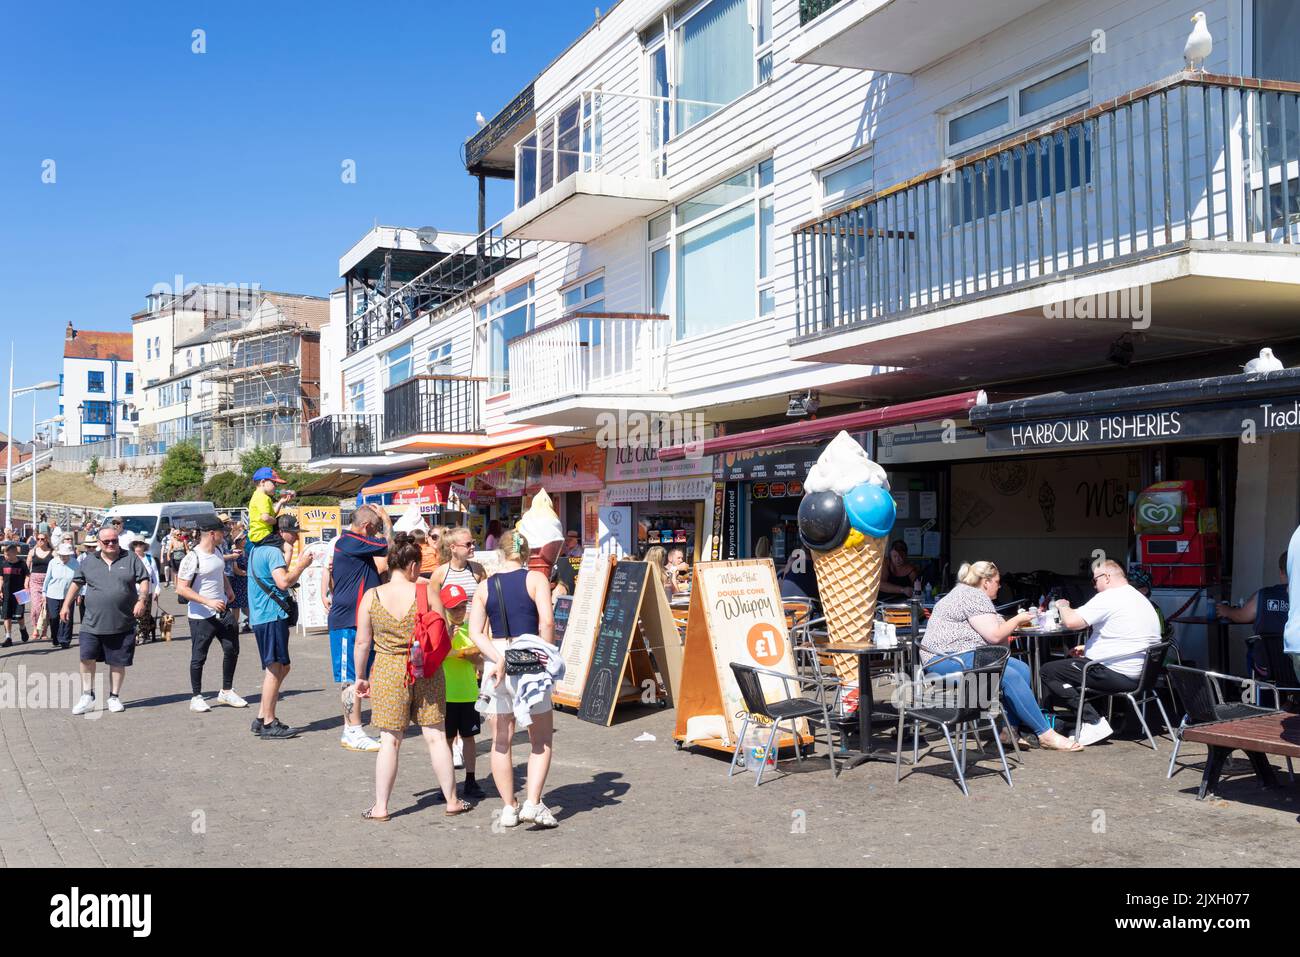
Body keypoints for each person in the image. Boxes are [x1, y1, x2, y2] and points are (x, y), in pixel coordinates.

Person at [354, 534, 472, 820]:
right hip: (426, 670)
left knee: (389, 741)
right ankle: (452, 800)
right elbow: (442, 631)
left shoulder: (372, 596)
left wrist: (360, 677)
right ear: (412, 566)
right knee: (435, 737)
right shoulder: (425, 591)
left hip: (388, 671)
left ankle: (381, 806)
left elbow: (362, 643)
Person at [921, 561, 1082, 751]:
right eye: (997, 581)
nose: (1000, 585)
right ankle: (1045, 733)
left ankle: (1009, 730)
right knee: (1007, 674)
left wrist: (1006, 625)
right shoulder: (972, 595)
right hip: (945, 660)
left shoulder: (965, 592)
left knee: (1021, 668)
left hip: (960, 655)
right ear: (986, 581)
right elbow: (995, 636)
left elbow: (999, 645)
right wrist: (1016, 620)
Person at [466, 528, 559, 828]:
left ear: (500, 553)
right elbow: (546, 621)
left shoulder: (485, 586)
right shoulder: (536, 579)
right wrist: (544, 653)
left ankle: (509, 806)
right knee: (541, 738)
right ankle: (533, 801)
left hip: (497, 661)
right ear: (529, 552)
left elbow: (475, 632)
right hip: (528, 658)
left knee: (500, 741)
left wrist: (496, 657)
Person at [1048, 559, 1163, 746]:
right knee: (1071, 664)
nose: (1094, 586)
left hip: (1116, 673)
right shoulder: (1139, 598)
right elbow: (1128, 636)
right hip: (1142, 674)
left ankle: (1092, 721)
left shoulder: (1110, 597)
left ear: (1107, 577)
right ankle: (1088, 719)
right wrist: (1089, 648)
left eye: (1095, 581)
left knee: (1049, 671)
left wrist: (1062, 605)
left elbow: (1072, 622)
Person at [62, 526, 151, 715]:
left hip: (122, 621)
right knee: (86, 657)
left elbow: (144, 579)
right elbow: (77, 583)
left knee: (117, 661)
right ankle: (87, 695)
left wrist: (142, 599)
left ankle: (114, 697)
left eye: (115, 540)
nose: (111, 544)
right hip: (92, 621)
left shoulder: (130, 558)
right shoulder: (88, 561)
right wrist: (65, 605)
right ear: (99, 543)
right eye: (107, 541)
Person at [323, 505, 390, 752]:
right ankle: (353, 730)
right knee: (350, 677)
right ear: (366, 527)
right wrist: (387, 522)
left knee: (360, 675)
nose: (375, 533)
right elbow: (389, 548)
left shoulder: (352, 543)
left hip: (358, 620)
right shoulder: (351, 541)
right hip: (347, 621)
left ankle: (351, 728)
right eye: (374, 528)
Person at [248, 514, 313, 738]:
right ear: (280, 532)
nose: (296, 537)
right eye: (293, 532)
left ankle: (261, 717)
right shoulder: (272, 551)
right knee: (275, 668)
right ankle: (268, 722)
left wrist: (290, 554)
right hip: (270, 615)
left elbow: (277, 573)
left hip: (262, 615)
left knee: (282, 667)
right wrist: (302, 566)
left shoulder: (258, 550)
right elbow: (284, 581)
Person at [176, 515, 247, 713]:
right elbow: (181, 589)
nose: (225, 536)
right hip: (201, 615)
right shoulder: (192, 557)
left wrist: (228, 589)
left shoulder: (217, 551)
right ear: (212, 534)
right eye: (222, 533)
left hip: (222, 610)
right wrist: (208, 601)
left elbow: (219, 572)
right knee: (199, 657)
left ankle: (226, 691)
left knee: (232, 649)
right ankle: (196, 696)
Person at [440, 582, 485, 799]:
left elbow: (480, 661)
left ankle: (471, 779)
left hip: (468, 693)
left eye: (461, 607)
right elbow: (436, 657)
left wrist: (472, 656)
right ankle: (447, 783)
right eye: (453, 608)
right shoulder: (440, 630)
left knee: (469, 737)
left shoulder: (471, 629)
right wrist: (448, 637)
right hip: (446, 695)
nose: (458, 612)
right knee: (446, 740)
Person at [1217, 552, 1287, 681]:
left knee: (1253, 651)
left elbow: (1241, 616)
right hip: (1296, 668)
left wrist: (1226, 611)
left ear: (1281, 572)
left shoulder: (1264, 595)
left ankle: (1261, 697)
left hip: (1266, 667)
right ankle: (1289, 697)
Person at [247, 467, 293, 554]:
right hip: (264, 534)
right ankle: (283, 568)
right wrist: (276, 521)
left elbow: (271, 515)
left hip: (257, 535)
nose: (276, 486)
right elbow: (266, 518)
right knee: (289, 549)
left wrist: (280, 502)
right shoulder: (264, 497)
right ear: (263, 482)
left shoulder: (256, 496)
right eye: (274, 483)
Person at [433, 526, 486, 601]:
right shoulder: (439, 573)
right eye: (468, 544)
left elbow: (485, 598)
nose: (473, 546)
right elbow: (435, 604)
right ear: (453, 548)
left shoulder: (478, 569)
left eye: (473, 542)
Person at [45, 541, 78, 649]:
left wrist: (79, 594)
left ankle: (65, 640)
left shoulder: (75, 563)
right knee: (54, 617)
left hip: (69, 595)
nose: (63, 557)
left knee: (67, 617)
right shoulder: (53, 562)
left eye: (66, 555)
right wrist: (43, 593)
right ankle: (55, 637)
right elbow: (48, 578)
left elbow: (78, 580)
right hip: (52, 593)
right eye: (62, 555)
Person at [128, 537, 160, 643]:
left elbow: (155, 575)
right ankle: (134, 635)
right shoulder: (130, 559)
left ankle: (144, 634)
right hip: (132, 591)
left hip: (148, 591)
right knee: (134, 614)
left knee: (145, 614)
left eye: (140, 544)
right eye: (135, 544)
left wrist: (157, 589)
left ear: (144, 546)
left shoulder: (149, 559)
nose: (138, 547)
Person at [0, 541, 30, 646]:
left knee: (19, 616)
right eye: (4, 554)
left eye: (7, 554)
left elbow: (27, 575)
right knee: (6, 616)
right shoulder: (3, 564)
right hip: (6, 593)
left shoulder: (22, 564)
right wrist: (0, 591)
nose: (5, 556)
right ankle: (8, 637)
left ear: (14, 553)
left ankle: (23, 628)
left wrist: (26, 584)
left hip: (20, 593)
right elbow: (1, 579)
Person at [28, 531, 53, 640]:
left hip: (48, 581)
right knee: (35, 608)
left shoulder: (52, 553)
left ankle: (44, 631)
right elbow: (27, 566)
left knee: (46, 607)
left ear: (47, 540)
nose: (40, 541)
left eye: (42, 539)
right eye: (38, 539)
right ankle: (35, 628)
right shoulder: (32, 551)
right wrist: (26, 579)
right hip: (34, 581)